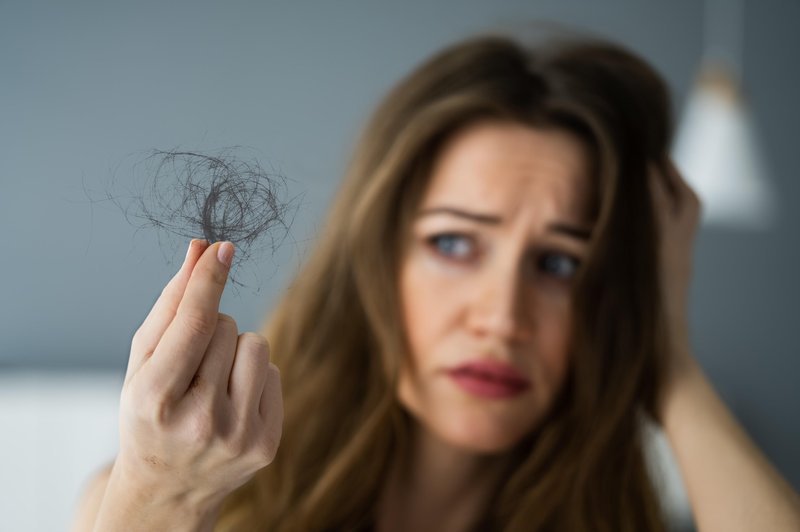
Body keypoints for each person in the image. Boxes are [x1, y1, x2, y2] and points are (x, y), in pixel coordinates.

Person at [72, 32, 800, 531]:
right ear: (375, 262)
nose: (502, 317)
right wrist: (160, 494)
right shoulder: (166, 500)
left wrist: (666, 352)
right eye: (453, 243)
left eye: (560, 264)